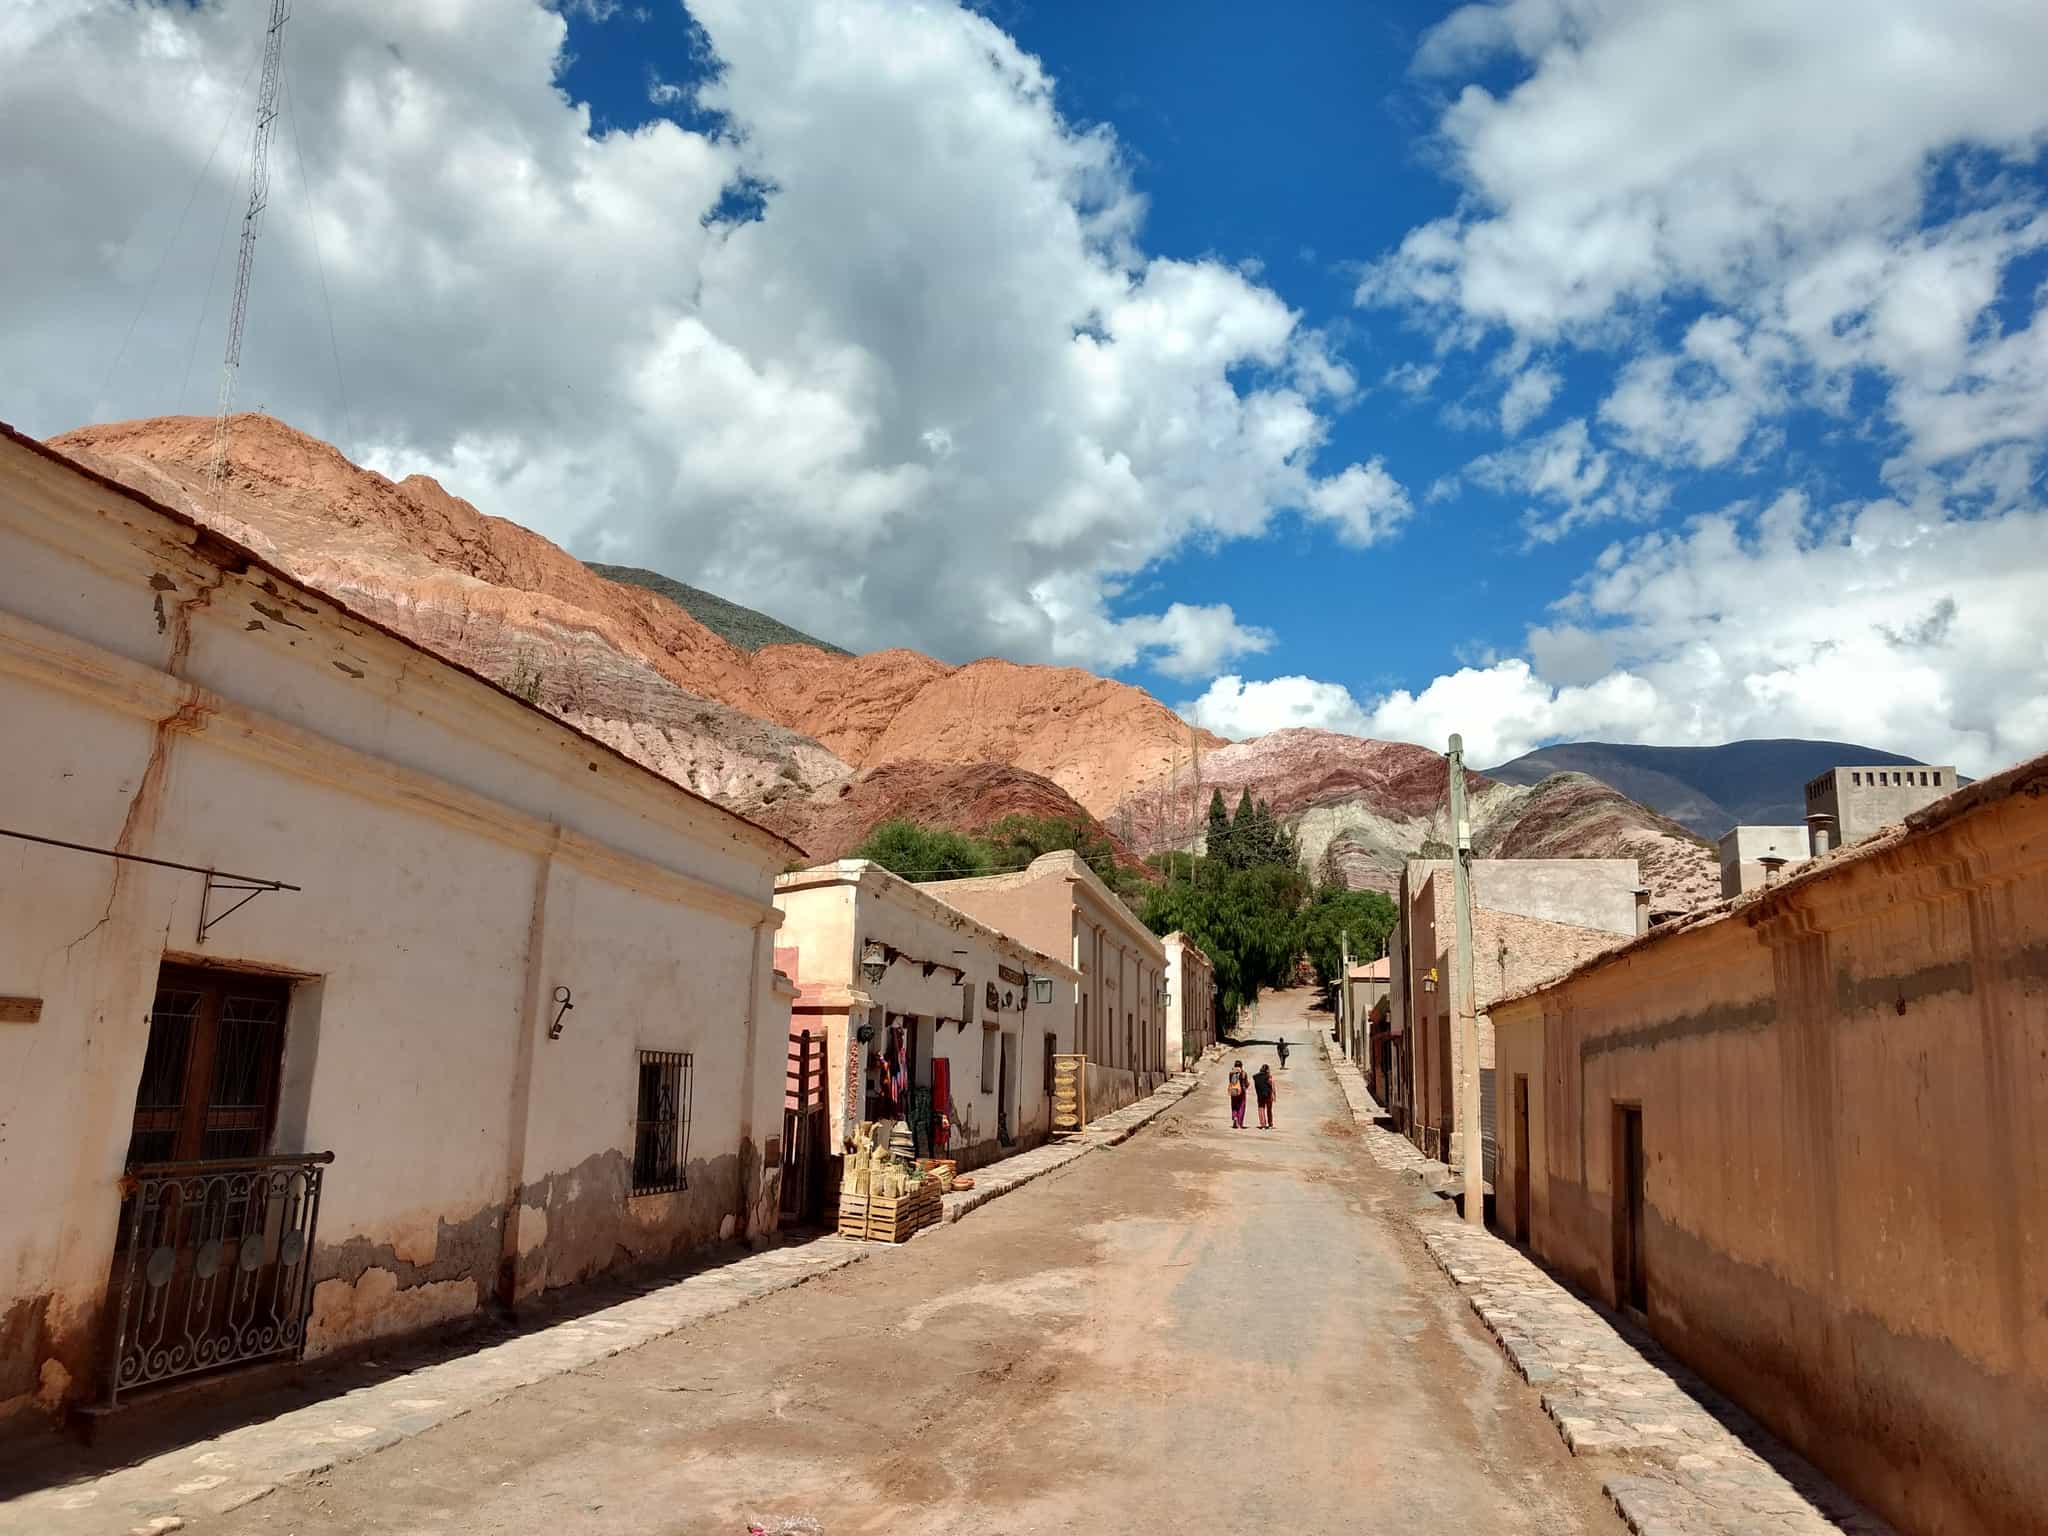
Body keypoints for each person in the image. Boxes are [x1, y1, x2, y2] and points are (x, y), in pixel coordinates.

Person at [1228, 1060, 1249, 1129]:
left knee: (1234, 1105)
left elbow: (1230, 1081)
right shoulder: (1243, 1073)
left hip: (1233, 1090)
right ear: (1241, 1066)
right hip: (1241, 1091)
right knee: (1241, 1106)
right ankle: (1240, 1123)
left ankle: (1235, 1117)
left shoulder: (1231, 1073)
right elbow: (1246, 1083)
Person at [1253, 1063, 1275, 1129]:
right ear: (1267, 1070)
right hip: (1268, 1095)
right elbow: (1272, 1086)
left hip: (1259, 1095)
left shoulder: (1256, 1077)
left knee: (1261, 1109)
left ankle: (1263, 1124)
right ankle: (1270, 1123)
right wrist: (1274, 1095)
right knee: (1269, 1109)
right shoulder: (1268, 1077)